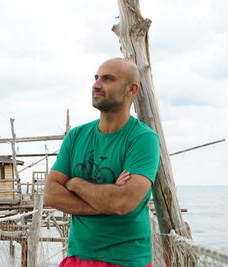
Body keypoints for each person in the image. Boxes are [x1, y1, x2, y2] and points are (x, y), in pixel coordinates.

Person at [43, 58, 160, 267]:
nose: (96, 85)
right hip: (77, 256)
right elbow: (51, 195)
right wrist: (107, 200)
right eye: (96, 78)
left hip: (125, 260)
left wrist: (75, 184)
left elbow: (122, 202)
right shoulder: (76, 136)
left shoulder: (143, 138)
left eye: (108, 79)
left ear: (131, 89)